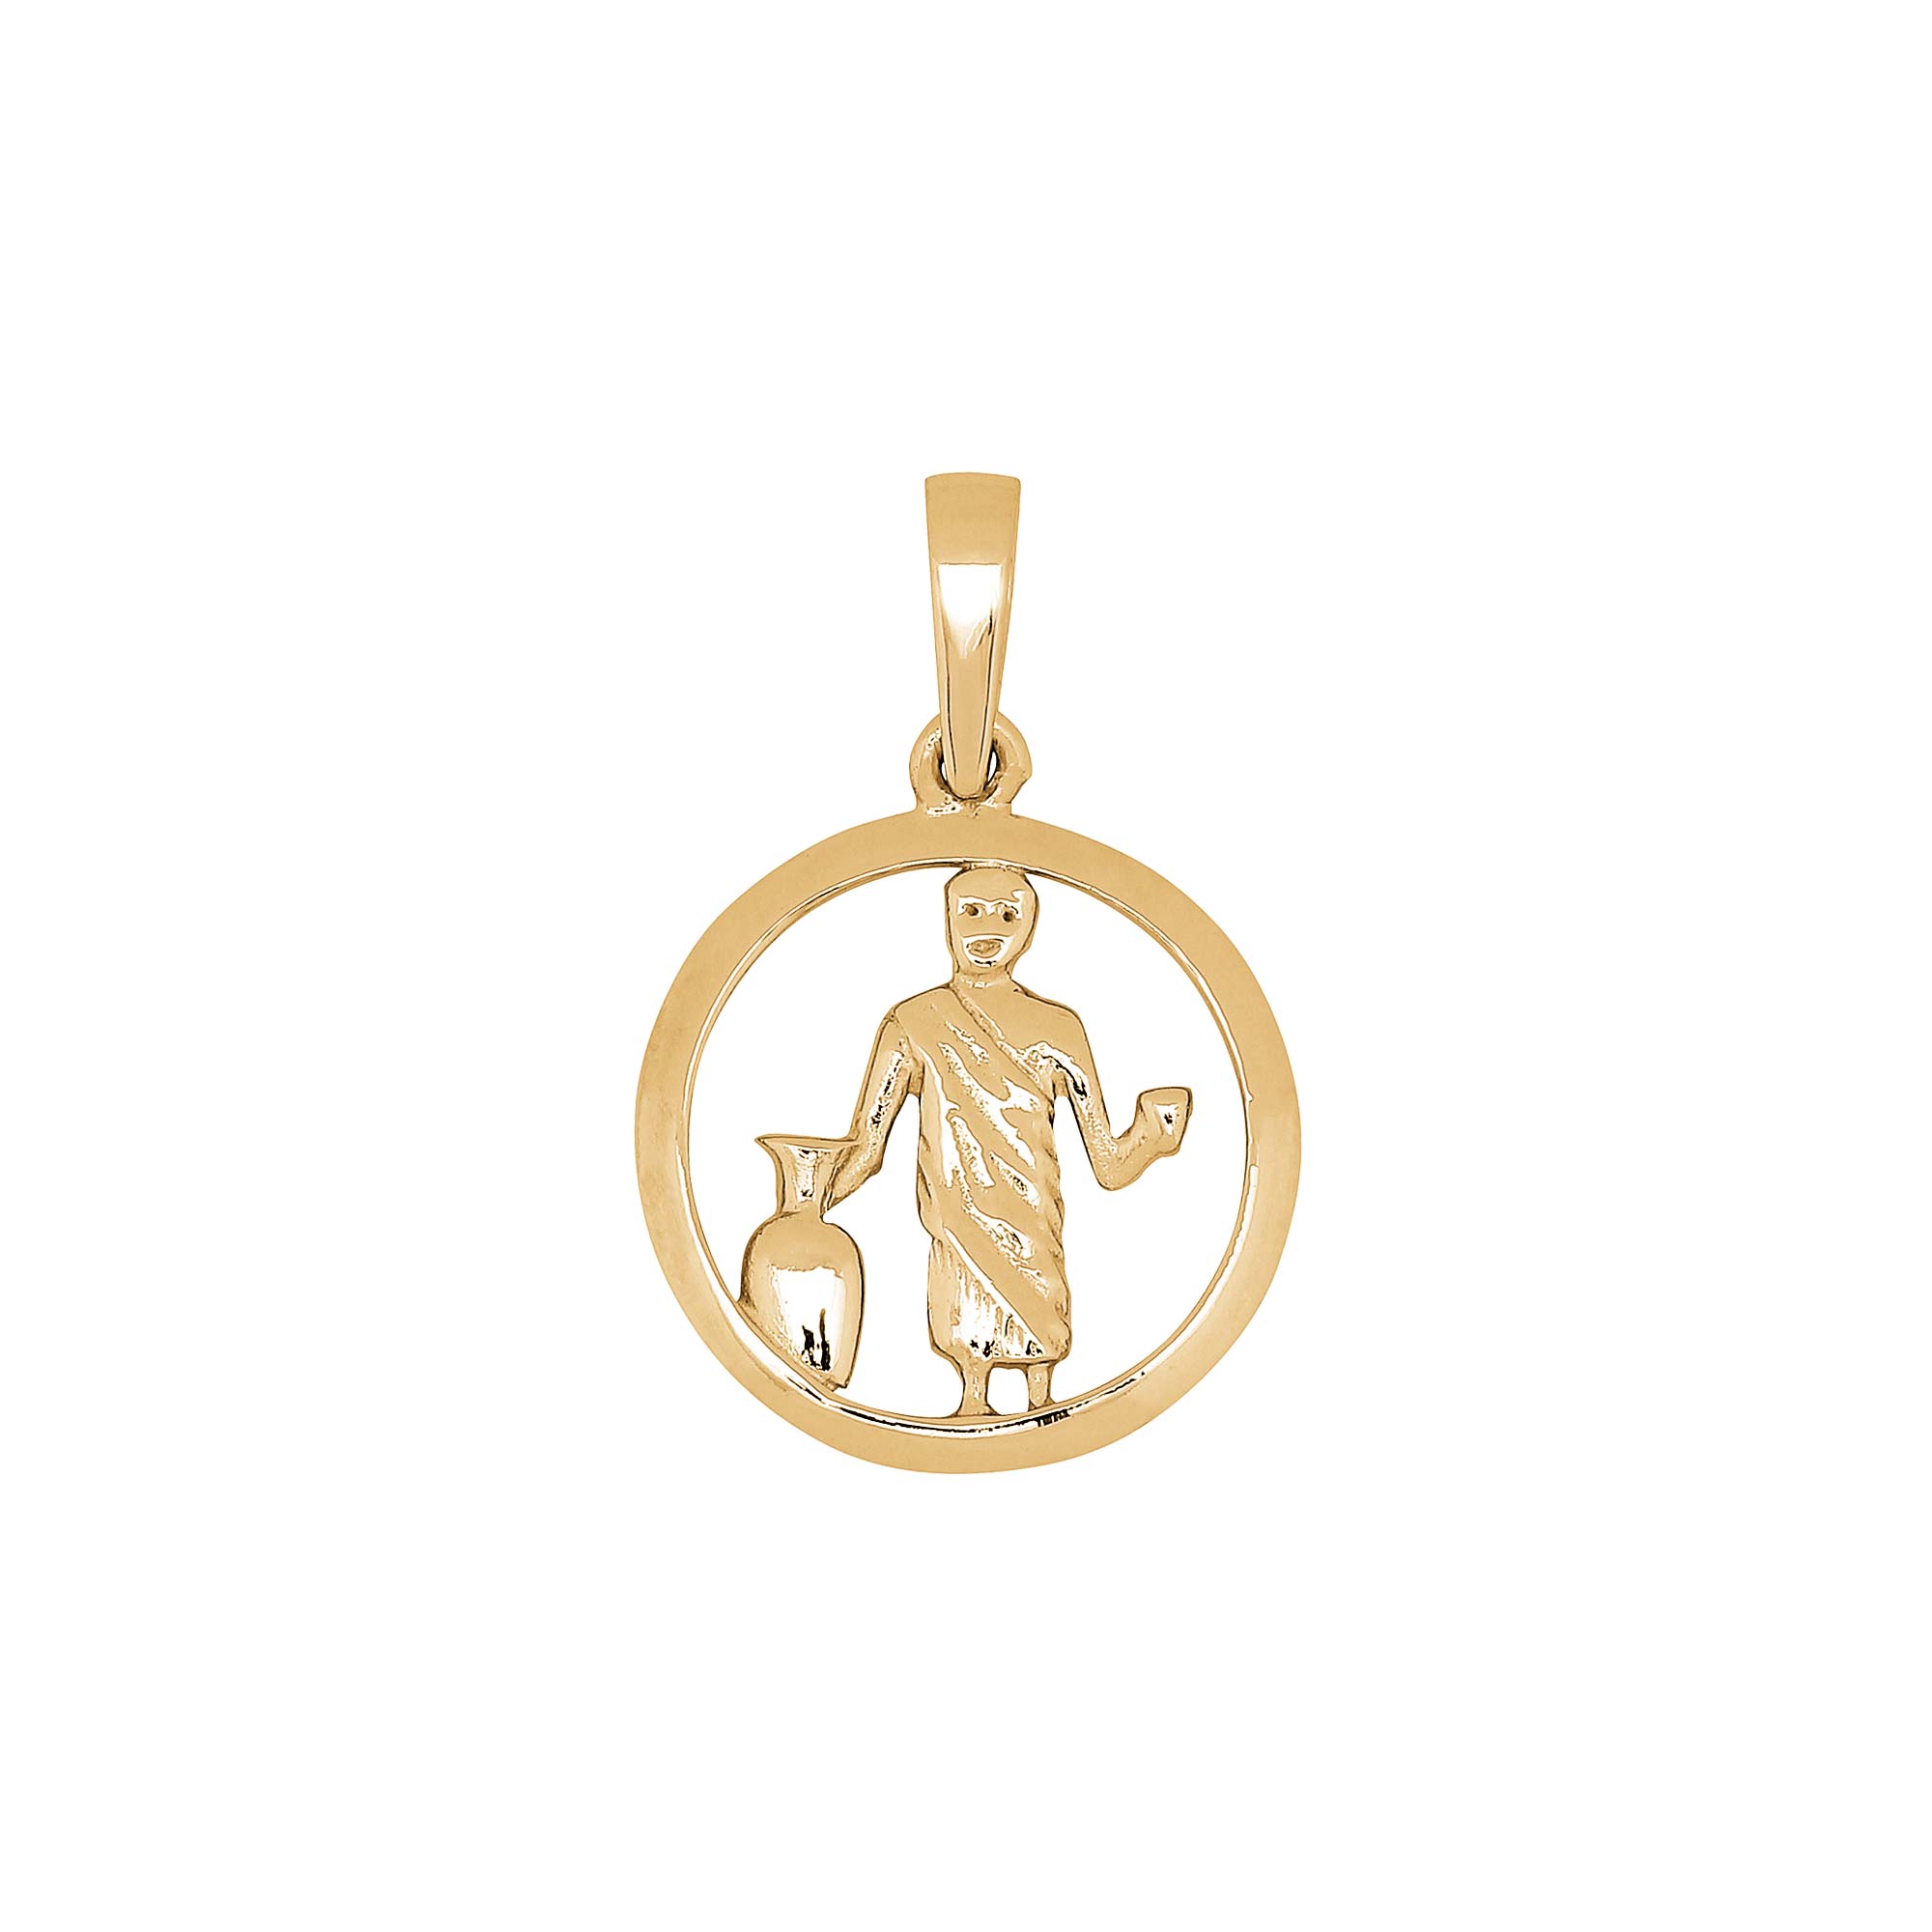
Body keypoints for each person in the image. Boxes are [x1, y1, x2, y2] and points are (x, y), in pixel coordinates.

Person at [825, 866, 1190, 1415]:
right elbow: (867, 1147)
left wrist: (1152, 1135)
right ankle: (972, 1399)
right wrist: (808, 1201)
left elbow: (1109, 1164)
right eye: (971, 911)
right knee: (965, 1323)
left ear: (1029, 926)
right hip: (959, 1218)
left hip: (1032, 1221)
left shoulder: (1059, 1028)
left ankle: (1042, 1399)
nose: (986, 928)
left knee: (1040, 1338)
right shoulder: (914, 1022)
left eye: (1007, 914)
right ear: (948, 919)